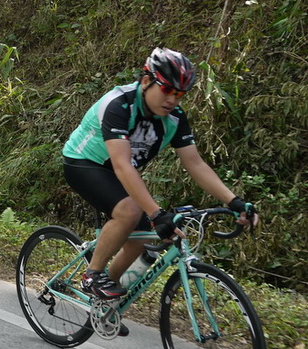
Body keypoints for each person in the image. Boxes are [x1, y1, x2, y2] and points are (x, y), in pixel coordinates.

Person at [62, 48, 258, 325]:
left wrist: (234, 201)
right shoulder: (118, 104)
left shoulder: (175, 117)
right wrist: (156, 214)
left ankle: (103, 301)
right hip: (84, 163)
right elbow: (122, 165)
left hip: (120, 171)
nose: (172, 99)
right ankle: (92, 274)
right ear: (146, 81)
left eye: (180, 94)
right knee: (130, 211)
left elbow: (195, 163)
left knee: (140, 239)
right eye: (167, 90)